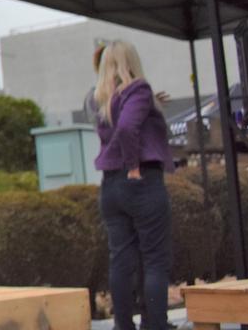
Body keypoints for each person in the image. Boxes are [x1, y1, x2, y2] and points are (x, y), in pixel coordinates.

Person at [93, 40, 174, 330]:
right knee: (154, 259)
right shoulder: (138, 88)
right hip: (140, 182)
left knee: (121, 259)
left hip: (110, 188)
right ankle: (156, 325)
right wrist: (134, 166)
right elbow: (128, 128)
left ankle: (123, 325)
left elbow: (121, 123)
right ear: (131, 61)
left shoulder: (100, 97)